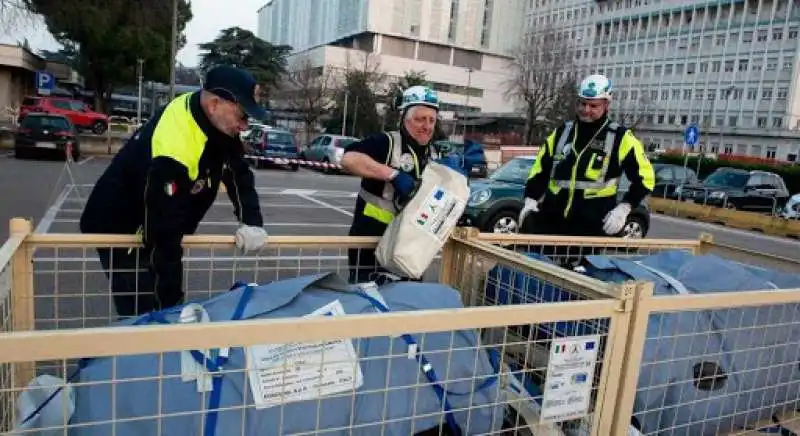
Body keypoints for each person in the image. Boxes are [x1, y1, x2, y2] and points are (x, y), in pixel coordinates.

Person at [80, 66, 269, 317]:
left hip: (159, 221)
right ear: (214, 104)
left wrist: (252, 221)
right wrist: (172, 306)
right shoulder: (173, 145)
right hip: (122, 227)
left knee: (160, 309)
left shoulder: (220, 124)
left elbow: (238, 174)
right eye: (243, 115)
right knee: (144, 313)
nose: (245, 126)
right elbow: (163, 234)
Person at [519, 73, 655, 239]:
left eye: (593, 106)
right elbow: (540, 170)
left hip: (591, 230)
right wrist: (531, 199)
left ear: (606, 105)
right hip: (551, 225)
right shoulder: (562, 133)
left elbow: (646, 179)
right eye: (582, 104)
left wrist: (624, 208)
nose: (586, 110)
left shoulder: (621, 138)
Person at [340, 85, 444, 283]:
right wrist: (393, 175)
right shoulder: (386, 143)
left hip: (410, 250)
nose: (427, 126)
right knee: (369, 306)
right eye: (420, 119)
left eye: (432, 120)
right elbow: (349, 159)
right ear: (404, 118)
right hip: (371, 247)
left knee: (405, 306)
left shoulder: (434, 154)